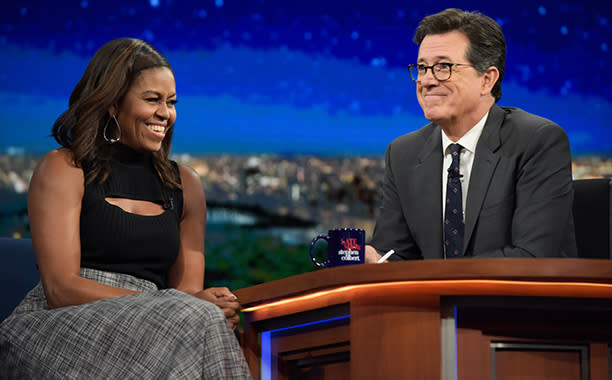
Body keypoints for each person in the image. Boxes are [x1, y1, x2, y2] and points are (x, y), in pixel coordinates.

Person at [0, 38, 252, 378]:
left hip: (160, 325)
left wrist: (204, 301)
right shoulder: (64, 168)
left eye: (172, 102)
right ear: (113, 105)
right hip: (61, 324)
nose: (166, 113)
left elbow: (188, 292)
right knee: (198, 319)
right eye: (153, 100)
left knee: (208, 322)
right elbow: (61, 288)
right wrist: (172, 305)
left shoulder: (185, 185)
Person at [365, 8, 577, 262]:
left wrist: (438, 279)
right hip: (430, 301)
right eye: (422, 68)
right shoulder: (403, 154)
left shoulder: (537, 142)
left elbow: (532, 257)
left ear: (486, 80)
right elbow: (397, 255)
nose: (427, 81)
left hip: (516, 300)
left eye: (443, 67)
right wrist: (377, 263)